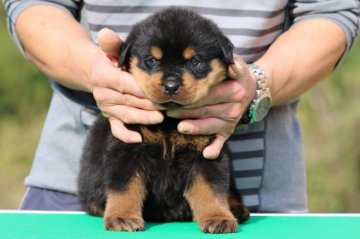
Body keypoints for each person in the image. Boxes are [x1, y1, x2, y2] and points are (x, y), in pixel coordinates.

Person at [3, 0, 359, 213]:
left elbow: (333, 10)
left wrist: (260, 84)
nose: (172, 83)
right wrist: (92, 69)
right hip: (82, 192)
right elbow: (34, 5)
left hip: (251, 195)